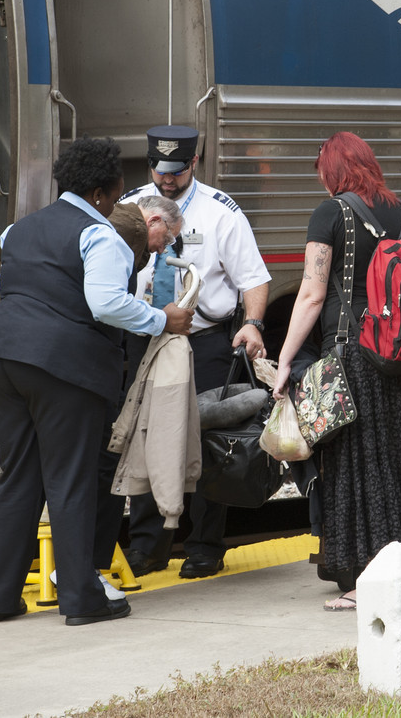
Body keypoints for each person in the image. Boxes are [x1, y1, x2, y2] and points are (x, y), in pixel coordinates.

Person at [0, 138, 193, 626]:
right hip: (62, 367)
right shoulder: (99, 235)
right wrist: (162, 319)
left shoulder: (19, 228)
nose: (118, 201)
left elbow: (3, 259)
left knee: (19, 477)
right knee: (69, 480)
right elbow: (106, 302)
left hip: (3, 356)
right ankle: (81, 598)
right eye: (115, 191)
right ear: (99, 192)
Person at [270, 132, 401, 610]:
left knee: (354, 463)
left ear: (333, 172)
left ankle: (361, 581)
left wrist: (285, 358)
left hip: (352, 356)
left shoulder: (331, 213)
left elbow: (310, 293)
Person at [118, 125, 272, 579]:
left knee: (209, 442)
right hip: (145, 338)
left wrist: (252, 322)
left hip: (202, 341)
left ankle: (205, 544)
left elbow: (254, 279)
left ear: (194, 163)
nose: (167, 180)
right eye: (159, 170)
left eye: (176, 171)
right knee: (145, 438)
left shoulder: (220, 211)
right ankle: (148, 545)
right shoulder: (130, 207)